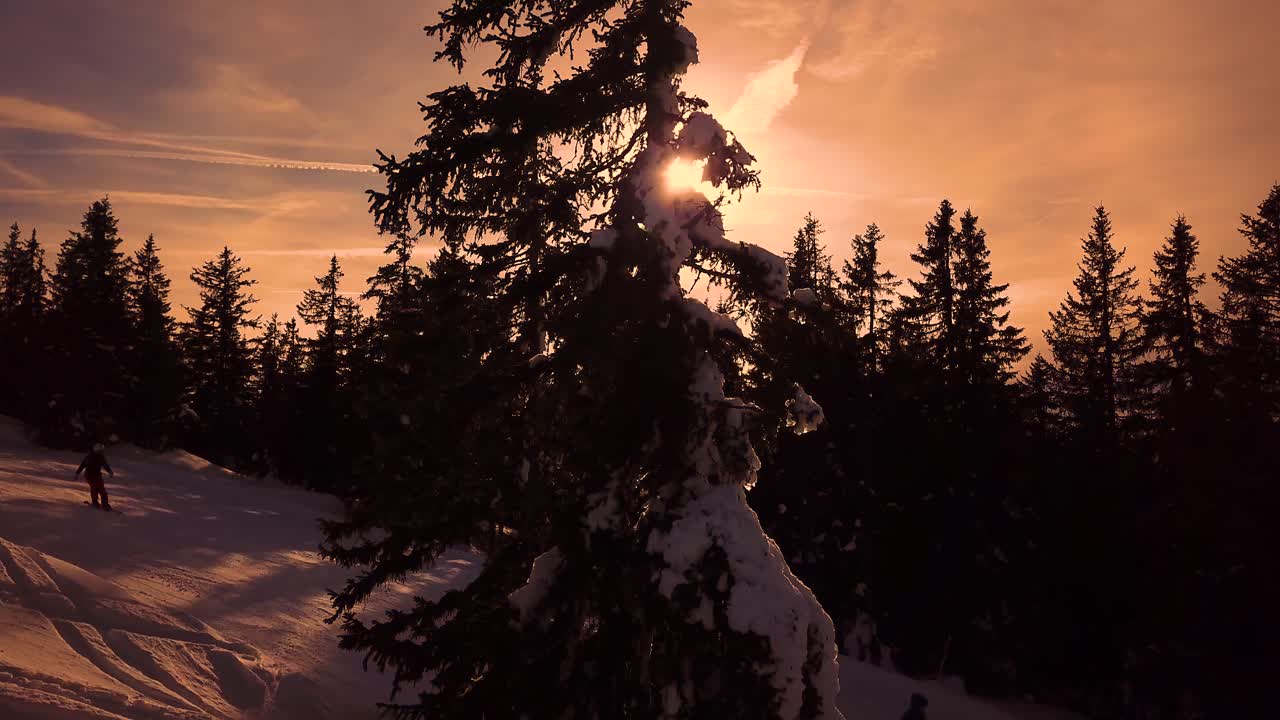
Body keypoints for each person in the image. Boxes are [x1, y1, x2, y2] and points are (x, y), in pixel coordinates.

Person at [75, 442, 114, 510]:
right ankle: (103, 504)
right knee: (100, 490)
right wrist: (77, 473)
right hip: (91, 475)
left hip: (92, 475)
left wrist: (109, 471)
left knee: (95, 489)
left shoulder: (94, 456)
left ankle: (96, 503)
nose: (101, 452)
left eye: (101, 450)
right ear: (96, 450)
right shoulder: (93, 457)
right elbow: (83, 465)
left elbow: (104, 465)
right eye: (100, 450)